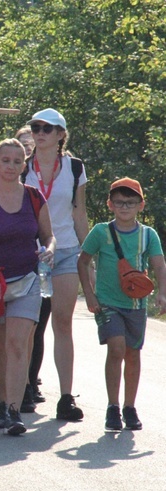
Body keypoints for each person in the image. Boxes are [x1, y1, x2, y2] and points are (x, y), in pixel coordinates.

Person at [0, 138, 55, 436]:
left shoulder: (34, 198)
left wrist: (50, 249)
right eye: (6, 160)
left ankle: (16, 410)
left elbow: (48, 236)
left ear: (24, 165)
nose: (11, 166)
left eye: (18, 161)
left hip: (27, 279)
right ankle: (2, 403)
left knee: (19, 344)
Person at [78, 177, 166, 431]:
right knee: (116, 349)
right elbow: (83, 261)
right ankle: (112, 407)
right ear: (110, 204)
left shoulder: (148, 235)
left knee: (133, 354)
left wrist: (162, 293)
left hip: (136, 305)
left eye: (130, 202)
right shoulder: (101, 232)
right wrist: (90, 294)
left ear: (141, 205)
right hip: (108, 303)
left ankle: (130, 406)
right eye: (119, 202)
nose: (124, 207)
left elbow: (159, 264)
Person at [23, 108, 89, 420]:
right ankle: (22, 387)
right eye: (36, 127)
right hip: (30, 253)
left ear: (61, 135)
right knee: (27, 324)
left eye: (48, 128)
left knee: (63, 323)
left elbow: (79, 213)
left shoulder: (75, 168)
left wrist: (89, 258)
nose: (40, 132)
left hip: (65, 251)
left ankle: (65, 397)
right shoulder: (23, 169)